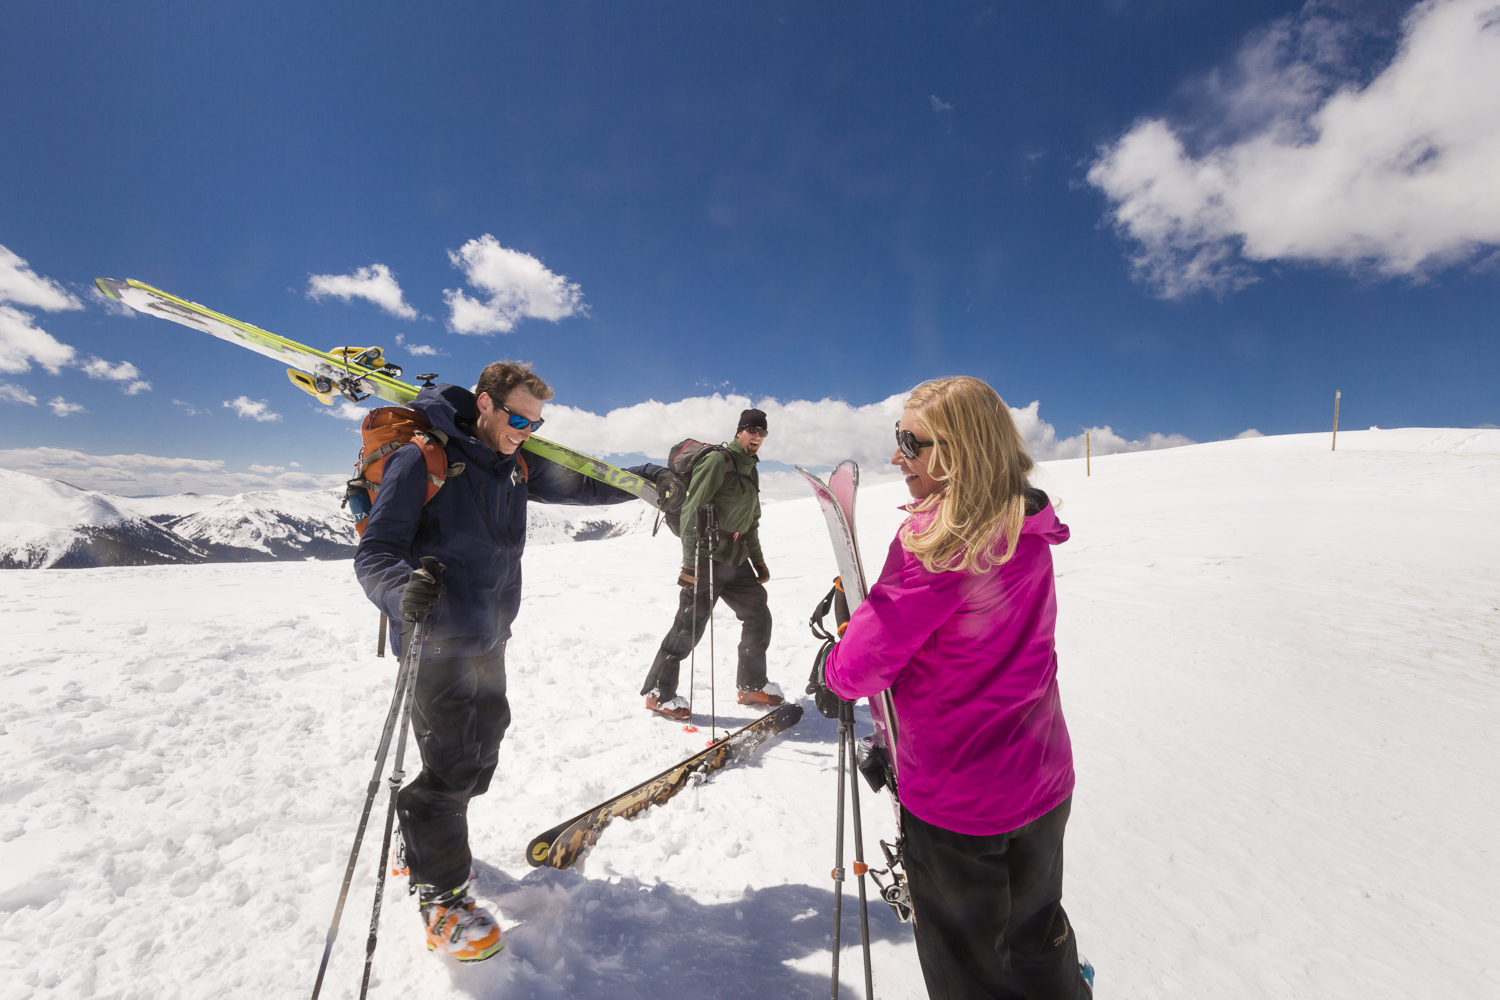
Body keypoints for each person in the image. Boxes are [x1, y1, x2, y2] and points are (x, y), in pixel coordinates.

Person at [354, 360, 664, 963]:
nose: (526, 429)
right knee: (449, 768)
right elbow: (376, 554)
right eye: (517, 418)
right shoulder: (422, 458)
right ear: (484, 404)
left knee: (481, 754)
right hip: (434, 641)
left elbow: (583, 484)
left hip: (490, 639)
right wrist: (402, 593)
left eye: (536, 422)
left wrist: (644, 477)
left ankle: (419, 832)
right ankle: (440, 898)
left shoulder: (513, 463)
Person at [817, 376, 1092, 999]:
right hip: (1043, 778)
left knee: (969, 973)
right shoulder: (1026, 524)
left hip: (959, 797)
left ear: (959, 448)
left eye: (910, 442)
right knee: (1037, 935)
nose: (896, 457)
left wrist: (835, 666)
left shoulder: (938, 542)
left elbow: (863, 666)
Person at [639, 407, 781, 720]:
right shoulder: (720, 461)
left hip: (736, 557)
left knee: (758, 614)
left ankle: (751, 684)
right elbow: (692, 509)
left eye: (762, 432)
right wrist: (690, 562)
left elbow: (750, 521)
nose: (757, 437)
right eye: (752, 430)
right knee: (690, 624)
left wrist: (757, 560)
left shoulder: (751, 470)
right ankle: (658, 694)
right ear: (740, 431)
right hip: (707, 556)